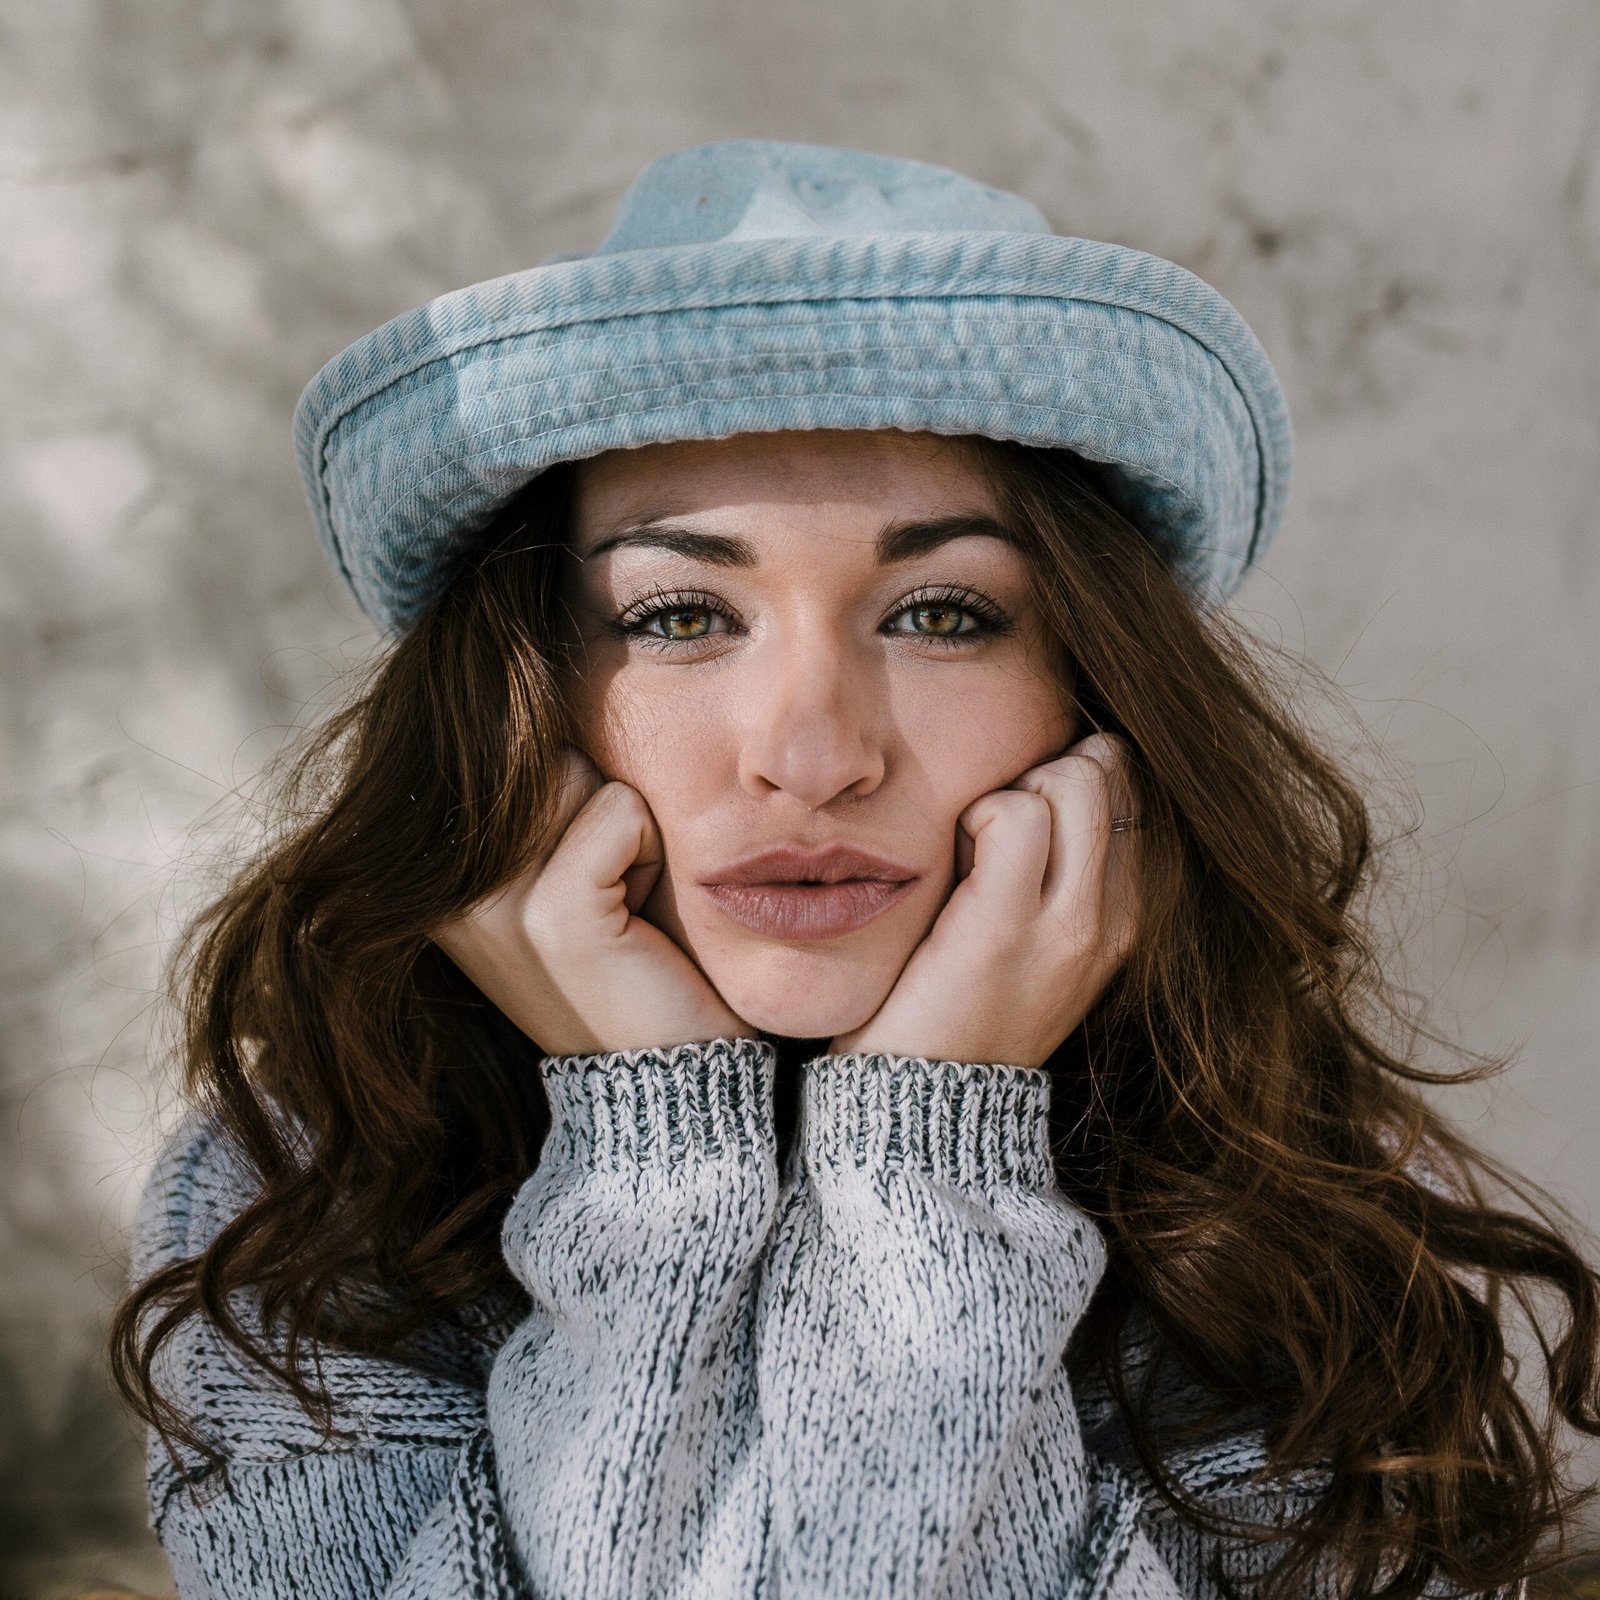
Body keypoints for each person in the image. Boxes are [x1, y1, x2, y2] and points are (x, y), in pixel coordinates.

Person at [108, 140, 1598, 1600]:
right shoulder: (295, 1192)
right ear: (521, 693)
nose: (814, 755)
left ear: (1093, 698)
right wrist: (657, 1179)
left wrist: (926, 1174)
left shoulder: (1280, 1200)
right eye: (680, 614)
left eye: (943, 613)